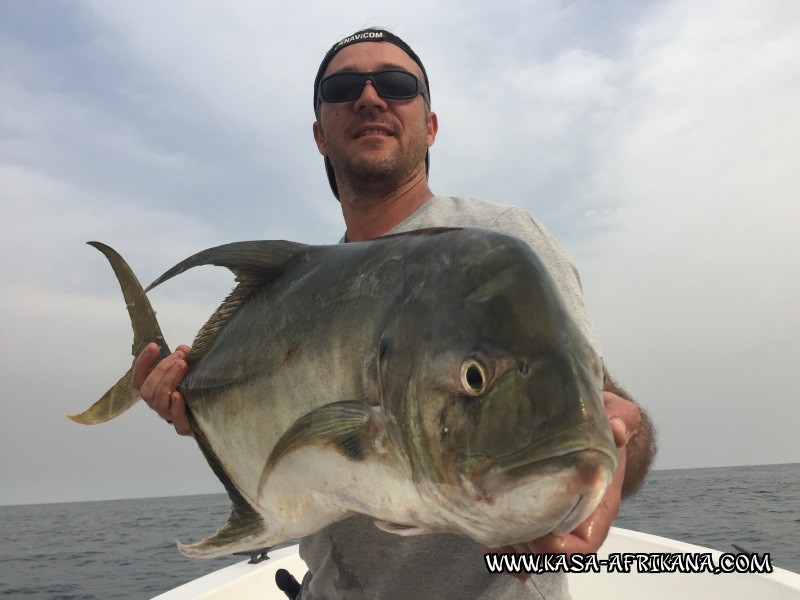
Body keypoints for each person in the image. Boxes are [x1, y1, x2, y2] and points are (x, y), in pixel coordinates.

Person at [133, 28, 655, 600]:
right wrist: (194, 405)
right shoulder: (298, 294)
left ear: (430, 125)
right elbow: (281, 443)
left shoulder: (498, 249)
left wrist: (608, 462)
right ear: (319, 136)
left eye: (397, 85)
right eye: (343, 88)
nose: (370, 97)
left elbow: (603, 416)